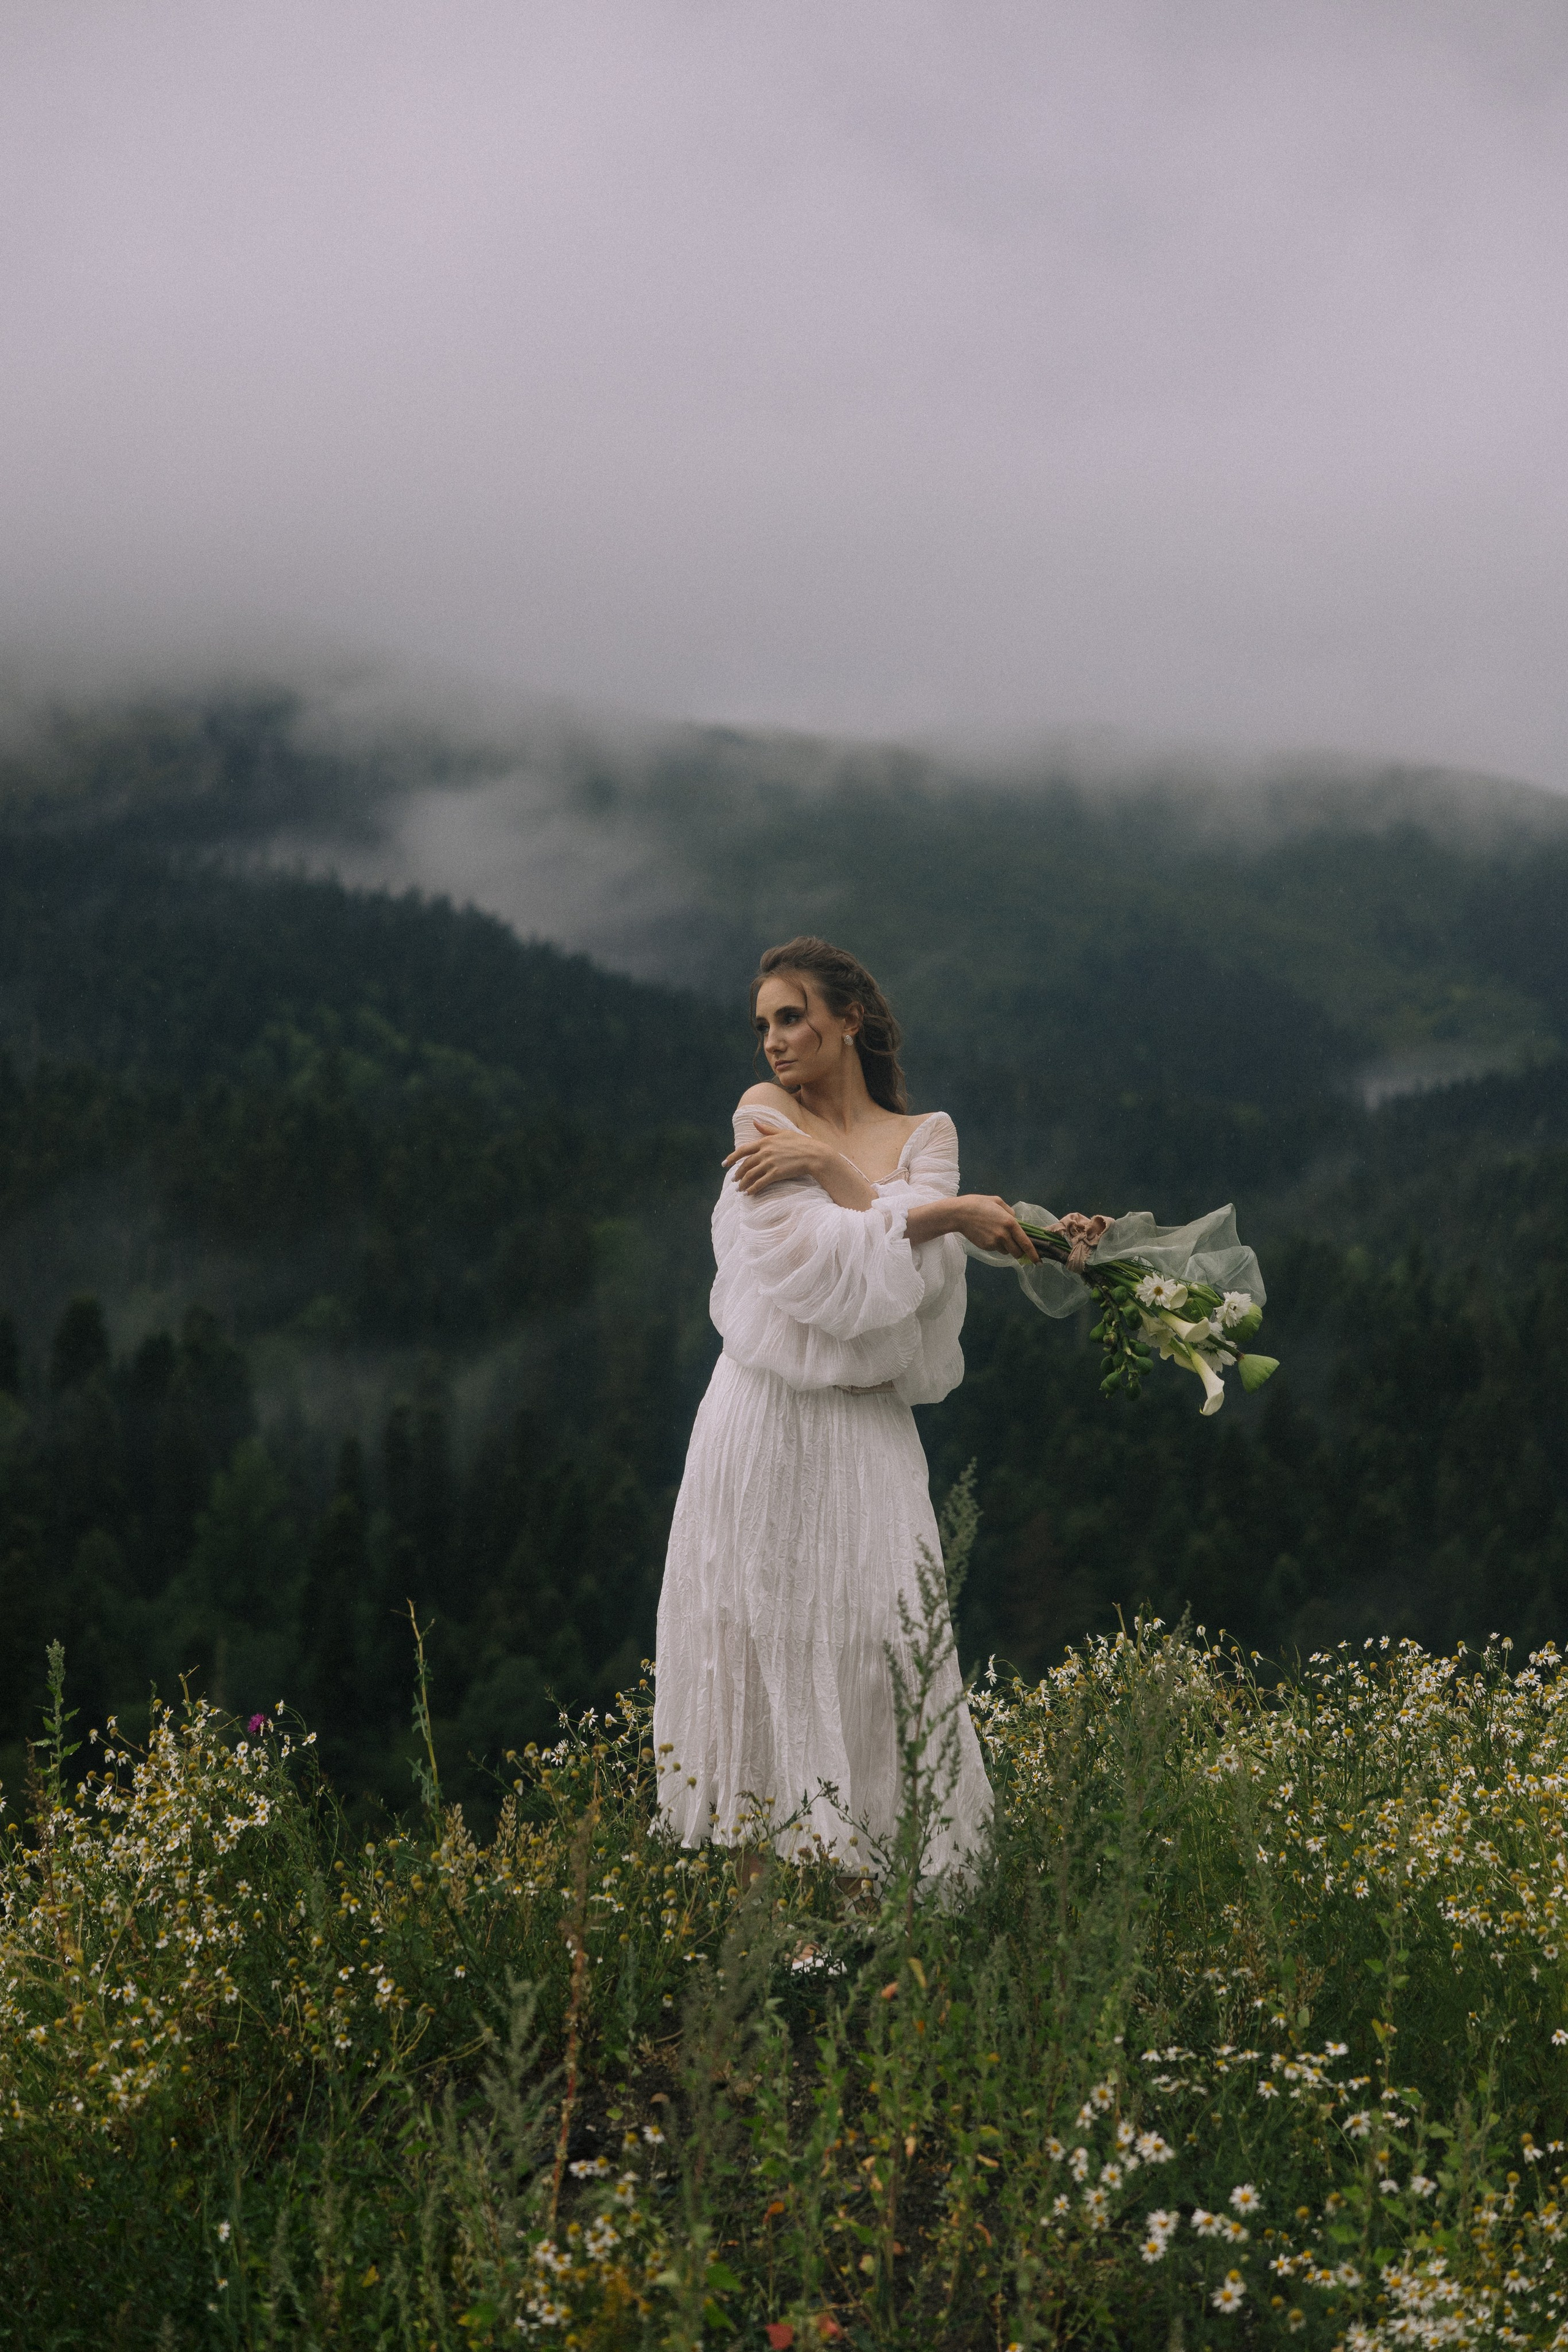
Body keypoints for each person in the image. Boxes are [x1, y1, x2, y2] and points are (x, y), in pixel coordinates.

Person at [652, 935, 1041, 1891]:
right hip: (762, 1414)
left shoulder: (929, 1138)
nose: (773, 1043)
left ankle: (867, 1892)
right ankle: (752, 1900)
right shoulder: (762, 1113)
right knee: (750, 1636)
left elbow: (905, 1287)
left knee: (881, 1644)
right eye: (763, 1026)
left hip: (867, 1429)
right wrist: (923, 1211)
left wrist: (835, 1172)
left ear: (848, 1020)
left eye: (792, 1017)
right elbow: (810, 1261)